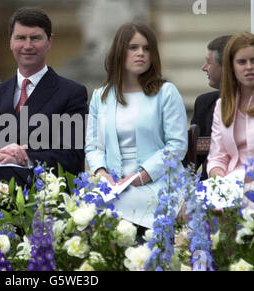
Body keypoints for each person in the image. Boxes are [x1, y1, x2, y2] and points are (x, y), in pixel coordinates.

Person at [0, 7, 88, 219]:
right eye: (20, 38)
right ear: (10, 42)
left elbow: (72, 159)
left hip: (41, 186)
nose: (27, 45)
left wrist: (23, 156)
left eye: (35, 38)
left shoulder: (71, 93)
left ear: (50, 41)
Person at [85, 23, 188, 229]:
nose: (141, 53)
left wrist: (143, 175)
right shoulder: (101, 96)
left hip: (158, 181)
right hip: (115, 184)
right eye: (133, 47)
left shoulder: (166, 92)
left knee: (107, 209)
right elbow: (94, 146)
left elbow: (177, 145)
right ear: (119, 52)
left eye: (146, 48)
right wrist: (101, 172)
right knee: (84, 206)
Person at [207, 32, 254, 210]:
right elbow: (217, 158)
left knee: (246, 199)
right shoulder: (222, 105)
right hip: (231, 184)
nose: (249, 67)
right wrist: (218, 180)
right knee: (191, 205)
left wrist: (253, 176)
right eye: (242, 62)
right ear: (231, 67)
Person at [190, 35, 231, 179]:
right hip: (210, 188)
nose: (203, 68)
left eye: (209, 63)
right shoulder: (203, 103)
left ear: (225, 66)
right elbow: (190, 164)